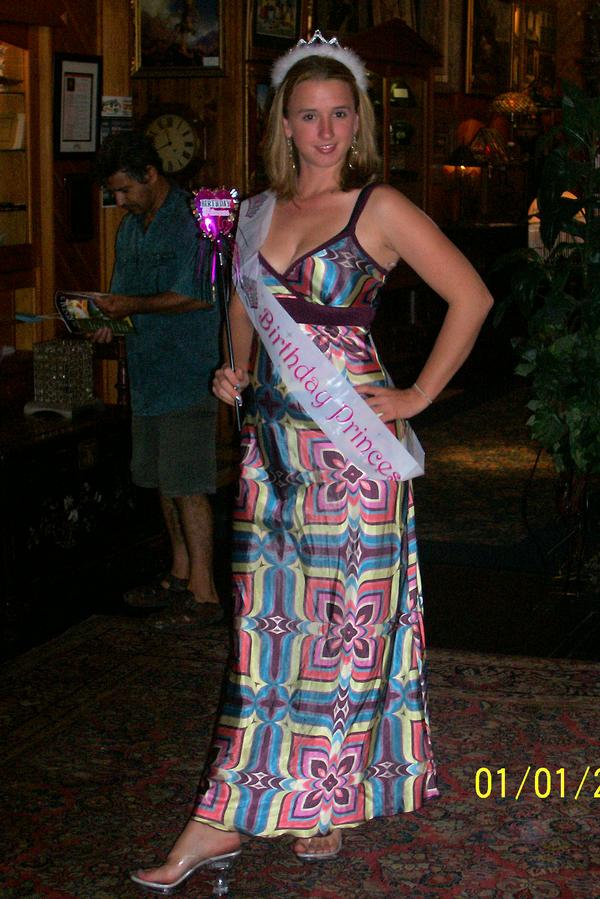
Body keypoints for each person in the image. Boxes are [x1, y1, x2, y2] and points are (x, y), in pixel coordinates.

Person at [129, 32, 493, 894]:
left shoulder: (379, 207)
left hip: (351, 452)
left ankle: (325, 795)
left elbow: (472, 296)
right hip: (273, 451)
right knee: (267, 628)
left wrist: (417, 396)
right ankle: (231, 810)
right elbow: (244, 304)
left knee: (343, 630)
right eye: (308, 116)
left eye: (339, 115)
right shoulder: (258, 211)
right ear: (283, 125)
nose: (325, 132)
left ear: (356, 121)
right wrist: (234, 368)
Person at [92, 131, 221, 627]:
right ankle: (179, 574)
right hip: (147, 374)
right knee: (163, 481)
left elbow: (202, 293)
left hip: (190, 371)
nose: (120, 200)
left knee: (188, 483)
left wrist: (131, 306)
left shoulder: (197, 219)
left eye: (125, 189)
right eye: (114, 192)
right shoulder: (130, 228)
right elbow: (121, 298)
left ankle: (205, 595)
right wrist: (104, 319)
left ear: (151, 173)